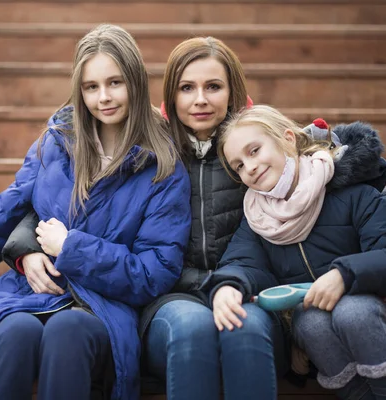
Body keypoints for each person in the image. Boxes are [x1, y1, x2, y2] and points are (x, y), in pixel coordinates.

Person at [0, 24, 192, 400]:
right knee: (15, 332)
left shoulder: (162, 168)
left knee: (67, 331)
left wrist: (71, 248)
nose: (104, 98)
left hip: (102, 306)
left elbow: (154, 271)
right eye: (91, 87)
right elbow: (7, 211)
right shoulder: (56, 142)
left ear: (136, 82)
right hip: (32, 292)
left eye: (115, 83)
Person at [203, 104, 386, 399]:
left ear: (288, 139)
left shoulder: (352, 193)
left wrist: (345, 275)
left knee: (352, 311)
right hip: (321, 330)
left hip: (379, 318)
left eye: (254, 151)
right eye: (238, 165)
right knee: (311, 319)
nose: (248, 167)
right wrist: (227, 286)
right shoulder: (258, 217)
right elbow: (242, 262)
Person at [140, 37, 287, 400]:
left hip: (252, 295)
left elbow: (328, 174)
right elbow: (57, 191)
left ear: (232, 92)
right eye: (187, 88)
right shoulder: (148, 154)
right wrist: (30, 244)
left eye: (213, 87)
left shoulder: (257, 151)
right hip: (170, 301)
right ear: (171, 97)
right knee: (192, 328)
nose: (200, 99)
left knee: (243, 327)